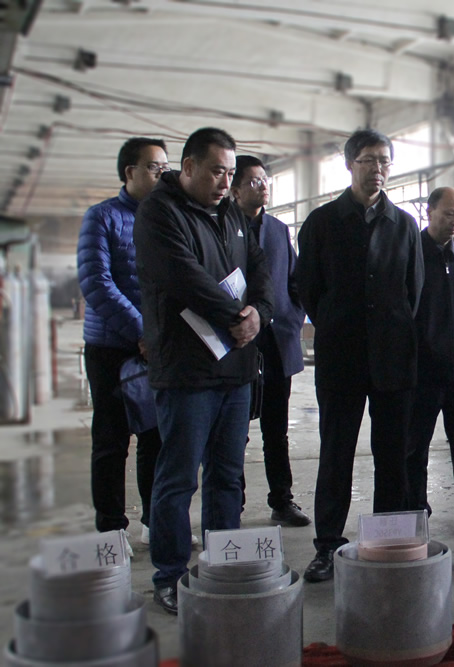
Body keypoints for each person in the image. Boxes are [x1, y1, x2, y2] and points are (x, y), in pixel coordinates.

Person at [134, 127, 274, 614]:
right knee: (178, 479)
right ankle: (170, 574)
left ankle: (222, 564)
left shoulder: (231, 213)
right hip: (187, 373)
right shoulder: (159, 212)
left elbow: (259, 269)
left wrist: (259, 312)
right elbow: (182, 277)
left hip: (235, 369)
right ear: (189, 166)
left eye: (230, 173)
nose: (224, 182)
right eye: (216, 171)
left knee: (227, 476)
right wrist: (238, 316)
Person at [295, 129, 424, 582]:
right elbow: (308, 288)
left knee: (393, 456)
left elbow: (413, 293)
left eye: (385, 161)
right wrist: (337, 322)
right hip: (341, 358)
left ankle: (386, 542)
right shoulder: (322, 223)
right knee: (336, 455)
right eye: (369, 160)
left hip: (393, 359)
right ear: (350, 164)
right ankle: (327, 545)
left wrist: (390, 328)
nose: (378, 169)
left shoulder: (404, 225)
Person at [77, 137, 169, 544]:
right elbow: (96, 282)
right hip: (111, 349)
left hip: (156, 347)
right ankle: (111, 530)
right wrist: (141, 331)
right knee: (112, 441)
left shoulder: (165, 219)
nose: (162, 175)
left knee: (156, 437)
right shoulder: (102, 217)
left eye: (165, 168)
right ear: (130, 172)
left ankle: (154, 521)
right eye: (153, 167)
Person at [230, 155, 310, 527]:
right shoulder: (222, 226)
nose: (263, 186)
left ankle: (282, 500)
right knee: (235, 430)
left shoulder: (278, 229)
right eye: (253, 181)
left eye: (265, 180)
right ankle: (233, 504)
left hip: (277, 343)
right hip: (237, 343)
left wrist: (292, 318)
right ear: (234, 190)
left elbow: (294, 279)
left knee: (276, 430)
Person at [405, 187, 454, 532]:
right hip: (421, 375)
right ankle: (415, 511)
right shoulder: (411, 258)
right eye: (449, 213)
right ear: (429, 212)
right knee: (414, 449)